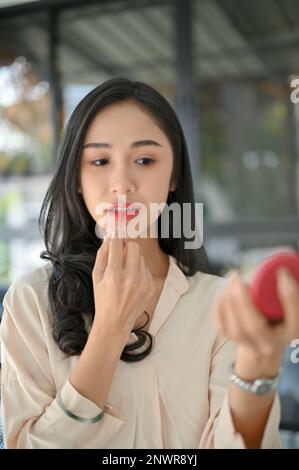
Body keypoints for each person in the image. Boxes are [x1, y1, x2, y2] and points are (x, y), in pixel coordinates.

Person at [0, 78, 298, 449]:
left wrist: (259, 364)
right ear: (76, 178)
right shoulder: (29, 301)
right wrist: (109, 329)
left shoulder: (218, 304)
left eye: (144, 160)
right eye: (99, 161)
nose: (122, 184)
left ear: (174, 175)